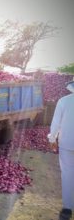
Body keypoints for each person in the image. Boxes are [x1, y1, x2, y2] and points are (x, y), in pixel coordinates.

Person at [48, 80, 74, 220]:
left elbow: (56, 123)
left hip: (67, 144)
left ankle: (68, 208)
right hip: (66, 144)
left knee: (68, 175)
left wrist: (52, 139)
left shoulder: (64, 101)